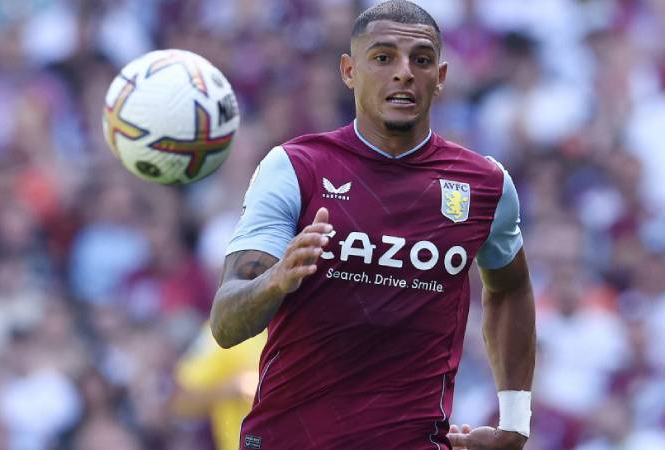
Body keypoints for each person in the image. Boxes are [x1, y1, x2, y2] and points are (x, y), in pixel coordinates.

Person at [210, 1, 536, 449]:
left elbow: (510, 289)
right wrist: (275, 280)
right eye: (383, 58)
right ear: (349, 71)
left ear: (440, 77)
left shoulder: (484, 184)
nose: (404, 73)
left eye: (421, 60)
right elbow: (225, 325)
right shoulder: (294, 167)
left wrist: (515, 422)